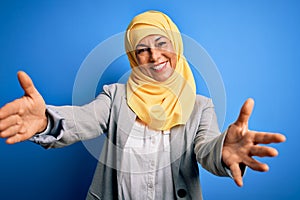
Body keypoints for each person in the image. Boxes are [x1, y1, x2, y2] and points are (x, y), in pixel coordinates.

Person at [0, 10, 285, 200]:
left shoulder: (201, 107)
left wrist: (223, 150)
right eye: (142, 49)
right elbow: (83, 119)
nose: (154, 55)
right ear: (134, 58)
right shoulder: (115, 97)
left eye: (162, 44)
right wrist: (47, 121)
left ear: (176, 46)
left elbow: (205, 148)